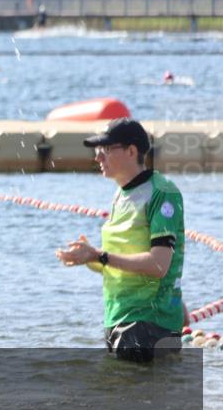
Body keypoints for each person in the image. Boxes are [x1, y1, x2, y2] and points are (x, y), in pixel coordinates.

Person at [55, 118, 186, 363]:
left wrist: (99, 255)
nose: (98, 157)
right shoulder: (121, 194)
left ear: (131, 151)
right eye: (97, 151)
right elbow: (125, 260)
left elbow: (159, 264)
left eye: (105, 150)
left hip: (147, 323)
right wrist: (89, 257)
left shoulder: (161, 193)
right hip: (120, 316)